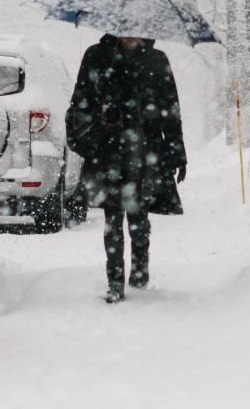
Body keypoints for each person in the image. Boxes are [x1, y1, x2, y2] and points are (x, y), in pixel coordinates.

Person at [65, 34, 187, 303]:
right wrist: (99, 117)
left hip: (146, 150)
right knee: (112, 216)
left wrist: (178, 153)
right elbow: (80, 101)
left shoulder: (156, 60)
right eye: (125, 30)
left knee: (139, 214)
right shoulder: (97, 55)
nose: (130, 35)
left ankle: (140, 271)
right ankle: (115, 280)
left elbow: (170, 109)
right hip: (107, 149)